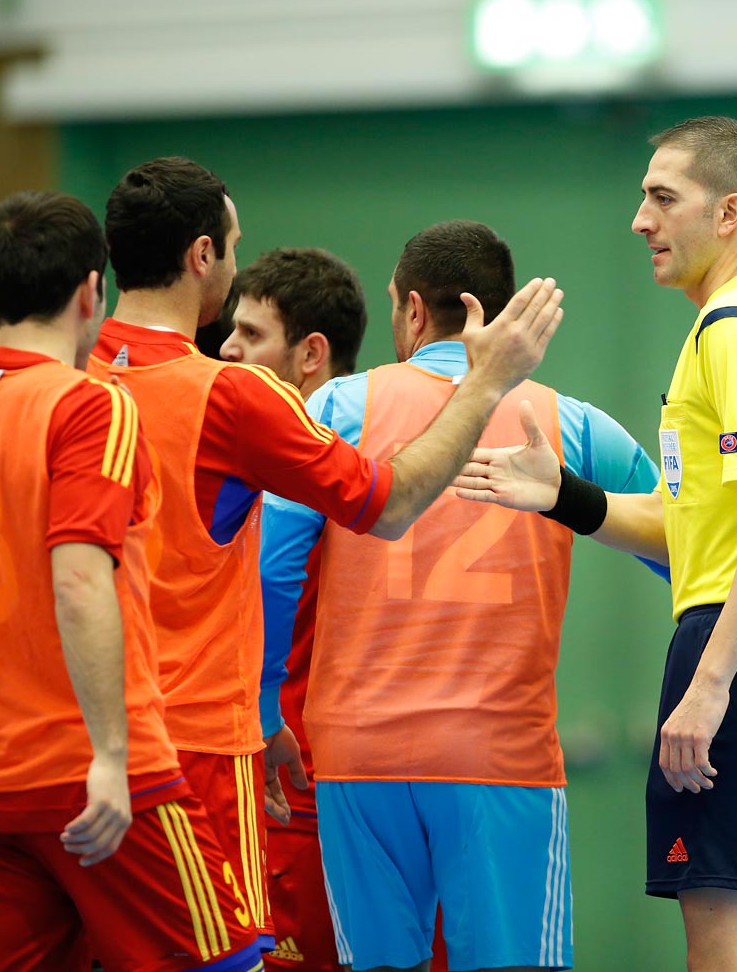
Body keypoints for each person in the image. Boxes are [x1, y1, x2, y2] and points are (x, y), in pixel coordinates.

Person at [86, 156, 563, 953]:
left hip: (56, 741)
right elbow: (388, 502)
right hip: (198, 743)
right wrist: (487, 384)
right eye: (233, 249)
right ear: (204, 255)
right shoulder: (234, 396)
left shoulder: (59, 385)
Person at [455, 117, 737, 972]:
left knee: (730, 944)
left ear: (728, 214)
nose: (640, 220)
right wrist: (564, 496)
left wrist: (712, 681)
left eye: (661, 198)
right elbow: (696, 524)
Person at [256, 220, 660, 972]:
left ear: (412, 312)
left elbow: (270, 569)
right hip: (497, 757)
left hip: (355, 756)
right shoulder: (567, 422)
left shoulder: (337, 409)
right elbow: (684, 550)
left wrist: (262, 707)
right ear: (503, 319)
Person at [0, 190, 261, 972]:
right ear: (89, 291)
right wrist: (110, 753)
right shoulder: (88, 406)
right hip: (95, 772)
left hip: (2, 786)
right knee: (228, 961)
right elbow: (79, 580)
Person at [217, 246, 393, 971]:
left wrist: (261, 720)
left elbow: (269, 582)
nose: (227, 349)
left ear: (311, 354)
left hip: (298, 784)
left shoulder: (330, 471)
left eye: (251, 335)